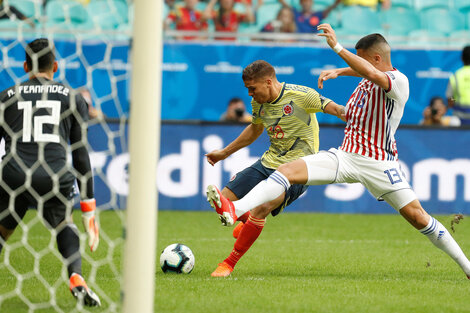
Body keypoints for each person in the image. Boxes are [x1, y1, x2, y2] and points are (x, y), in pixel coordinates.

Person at [207, 25, 470, 280]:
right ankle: (235, 208)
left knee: (418, 217)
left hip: (379, 163)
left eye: (361, 60)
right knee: (287, 170)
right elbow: (367, 71)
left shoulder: (398, 81)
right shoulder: (366, 79)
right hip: (346, 157)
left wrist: (338, 47)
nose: (357, 64)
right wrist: (340, 71)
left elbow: (377, 74)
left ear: (376, 59)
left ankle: (466, 266)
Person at [206, 59, 346, 277]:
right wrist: (224, 153)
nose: (250, 94)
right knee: (225, 198)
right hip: (269, 162)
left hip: (298, 170)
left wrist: (348, 114)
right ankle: (245, 223)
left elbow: (334, 108)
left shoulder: (301, 95)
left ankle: (228, 264)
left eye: (252, 89)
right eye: (247, 90)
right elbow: (255, 130)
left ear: (268, 82)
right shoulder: (258, 102)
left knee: (261, 209)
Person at [0, 39, 101, 306]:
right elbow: (80, 156)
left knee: (2, 230)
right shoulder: (73, 98)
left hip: (13, 174)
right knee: (63, 224)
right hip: (53, 175)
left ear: (24, 67)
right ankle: (77, 277)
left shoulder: (6, 96)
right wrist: (89, 209)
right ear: (55, 66)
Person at [446, 45, 470, 125]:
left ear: (462, 58)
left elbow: (450, 98)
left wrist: (455, 102)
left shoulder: (456, 75)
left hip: (459, 117)